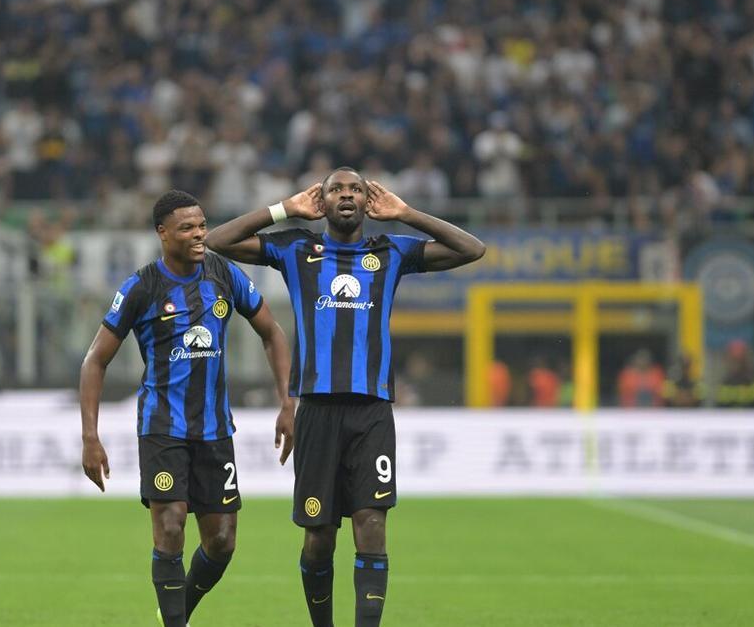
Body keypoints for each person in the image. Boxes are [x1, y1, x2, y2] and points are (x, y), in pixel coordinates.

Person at [206, 169, 486, 627]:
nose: (347, 196)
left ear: (369, 200)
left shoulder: (391, 250)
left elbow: (472, 249)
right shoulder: (297, 248)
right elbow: (219, 240)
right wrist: (283, 210)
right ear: (321, 200)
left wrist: (407, 214)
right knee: (318, 537)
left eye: (356, 189)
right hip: (315, 410)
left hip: (372, 411)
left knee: (372, 526)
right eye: (336, 189)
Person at [78, 190, 294, 627]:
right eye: (187, 228)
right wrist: (90, 436)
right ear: (162, 233)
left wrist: (286, 402)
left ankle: (175, 611)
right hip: (162, 427)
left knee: (221, 541)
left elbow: (272, 332)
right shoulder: (141, 287)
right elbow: (95, 360)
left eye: (202, 225)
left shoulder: (224, 274)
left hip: (215, 429)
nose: (200, 235)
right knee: (171, 525)